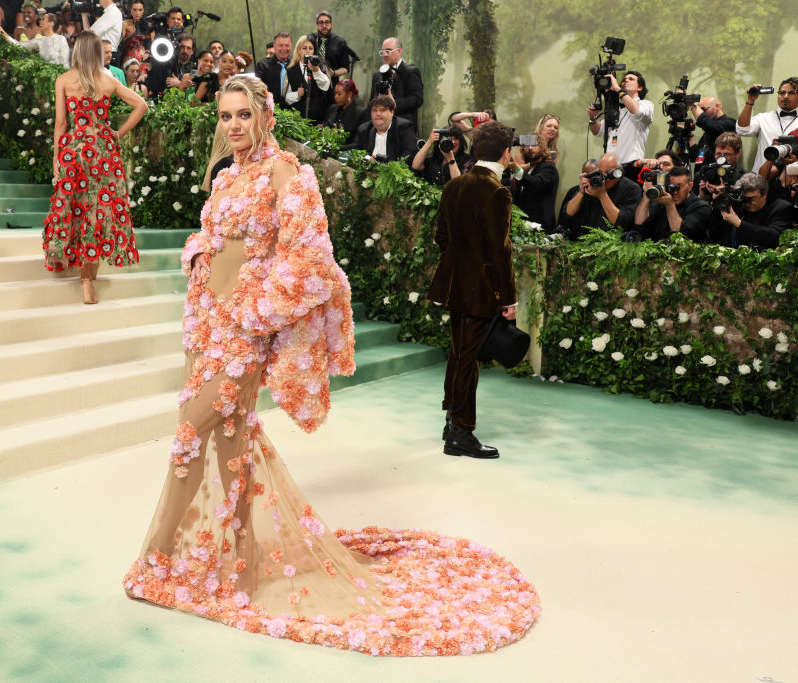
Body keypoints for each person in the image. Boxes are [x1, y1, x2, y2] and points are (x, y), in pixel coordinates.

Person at [123, 75, 540, 655]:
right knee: (226, 440)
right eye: (225, 116)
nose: (234, 126)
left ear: (266, 116)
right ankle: (237, 565)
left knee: (194, 426)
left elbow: (311, 259)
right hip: (206, 323)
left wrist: (252, 308)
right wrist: (199, 259)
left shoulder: (287, 173)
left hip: (246, 327)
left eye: (244, 114)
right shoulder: (224, 176)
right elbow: (207, 236)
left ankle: (159, 559)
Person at [427, 120, 519, 459]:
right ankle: (461, 432)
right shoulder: (498, 192)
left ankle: (453, 420)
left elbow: (442, 239)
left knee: (459, 353)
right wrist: (508, 298)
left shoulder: (454, 187)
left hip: (454, 285)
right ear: (506, 153)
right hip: (481, 289)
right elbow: (501, 250)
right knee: (468, 358)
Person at [43, 30, 147, 303]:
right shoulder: (108, 79)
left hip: (75, 151)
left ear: (77, 51)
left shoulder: (64, 80)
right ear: (98, 53)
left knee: (75, 209)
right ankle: (89, 277)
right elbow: (141, 105)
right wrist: (117, 134)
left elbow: (61, 124)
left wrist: (56, 156)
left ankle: (85, 277)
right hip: (103, 153)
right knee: (98, 211)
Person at [558, 152, 642, 240]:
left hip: (611, 245)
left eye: (609, 172)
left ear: (619, 172)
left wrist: (602, 195)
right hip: (581, 243)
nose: (605, 177)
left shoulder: (631, 189)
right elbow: (567, 215)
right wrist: (581, 192)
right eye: (601, 172)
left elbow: (622, 223)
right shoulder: (591, 184)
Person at [587, 70, 654, 169]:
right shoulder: (616, 110)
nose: (626, 81)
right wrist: (593, 118)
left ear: (640, 87)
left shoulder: (646, 104)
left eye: (631, 79)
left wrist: (618, 89)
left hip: (632, 165)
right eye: (624, 80)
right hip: (611, 167)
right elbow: (598, 131)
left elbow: (636, 110)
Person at [706, 173, 791, 249]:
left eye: (753, 199)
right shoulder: (737, 203)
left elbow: (776, 237)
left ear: (765, 195)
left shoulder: (781, 207)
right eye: (744, 198)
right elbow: (714, 235)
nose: (748, 203)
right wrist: (719, 204)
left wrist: (739, 223)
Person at [634, 166, 710, 242]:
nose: (674, 192)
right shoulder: (660, 202)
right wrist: (647, 194)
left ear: (690, 186)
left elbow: (682, 235)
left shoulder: (701, 207)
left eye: (678, 186)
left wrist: (670, 205)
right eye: (671, 186)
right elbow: (639, 223)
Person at [736, 78, 798, 164]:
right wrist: (750, 100)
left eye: (792, 93)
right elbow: (742, 130)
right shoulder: (763, 118)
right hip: (761, 175)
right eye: (782, 92)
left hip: (792, 175)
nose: (785, 96)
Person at [342, 94, 418, 164]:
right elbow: (356, 149)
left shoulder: (404, 127)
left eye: (383, 110)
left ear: (392, 112)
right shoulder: (364, 129)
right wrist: (368, 159)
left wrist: (386, 167)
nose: (378, 114)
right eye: (375, 110)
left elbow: (409, 155)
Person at [371, 37, 423, 133]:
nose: (385, 54)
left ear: (399, 51)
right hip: (380, 128)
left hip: (403, 127)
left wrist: (394, 103)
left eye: (388, 51)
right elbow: (372, 101)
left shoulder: (410, 71)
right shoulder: (377, 75)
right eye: (383, 51)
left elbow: (417, 99)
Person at [511, 141, 559, 233]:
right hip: (523, 226)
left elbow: (536, 183)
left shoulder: (548, 168)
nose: (530, 148)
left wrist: (516, 168)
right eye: (526, 145)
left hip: (541, 228)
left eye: (534, 145)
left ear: (542, 148)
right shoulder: (528, 169)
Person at [284, 35, 331, 123]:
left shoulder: (321, 67)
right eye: (304, 48)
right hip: (299, 121)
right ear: (299, 50)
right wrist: (297, 94)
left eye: (310, 48)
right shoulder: (291, 70)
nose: (308, 51)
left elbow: (326, 86)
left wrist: (316, 70)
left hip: (319, 120)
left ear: (314, 51)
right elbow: (287, 98)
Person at [145, 31, 195, 98]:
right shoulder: (167, 64)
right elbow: (154, 86)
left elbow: (194, 91)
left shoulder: (195, 67)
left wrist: (179, 84)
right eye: (182, 47)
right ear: (177, 47)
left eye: (188, 48)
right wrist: (150, 69)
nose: (185, 51)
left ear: (192, 51)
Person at [307, 11, 351, 85]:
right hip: (312, 84)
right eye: (321, 23)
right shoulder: (310, 40)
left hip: (332, 85)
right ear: (316, 25)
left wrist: (333, 73)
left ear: (331, 24)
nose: (324, 25)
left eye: (327, 22)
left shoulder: (340, 42)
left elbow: (346, 68)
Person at [689, 94, 736, 163]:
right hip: (703, 173)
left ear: (717, 106)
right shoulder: (708, 130)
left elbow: (712, 126)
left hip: (720, 172)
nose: (701, 113)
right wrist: (689, 135)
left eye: (703, 109)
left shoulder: (730, 123)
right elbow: (695, 157)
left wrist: (693, 105)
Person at [321, 78, 366, 144]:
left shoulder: (360, 113)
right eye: (335, 94)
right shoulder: (332, 108)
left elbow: (358, 141)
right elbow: (325, 127)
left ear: (349, 94)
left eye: (339, 94)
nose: (335, 97)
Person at [255, 32, 291, 108]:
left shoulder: (295, 65)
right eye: (280, 45)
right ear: (274, 47)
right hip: (269, 110)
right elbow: (257, 90)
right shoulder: (263, 65)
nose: (284, 49)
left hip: (292, 112)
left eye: (287, 45)